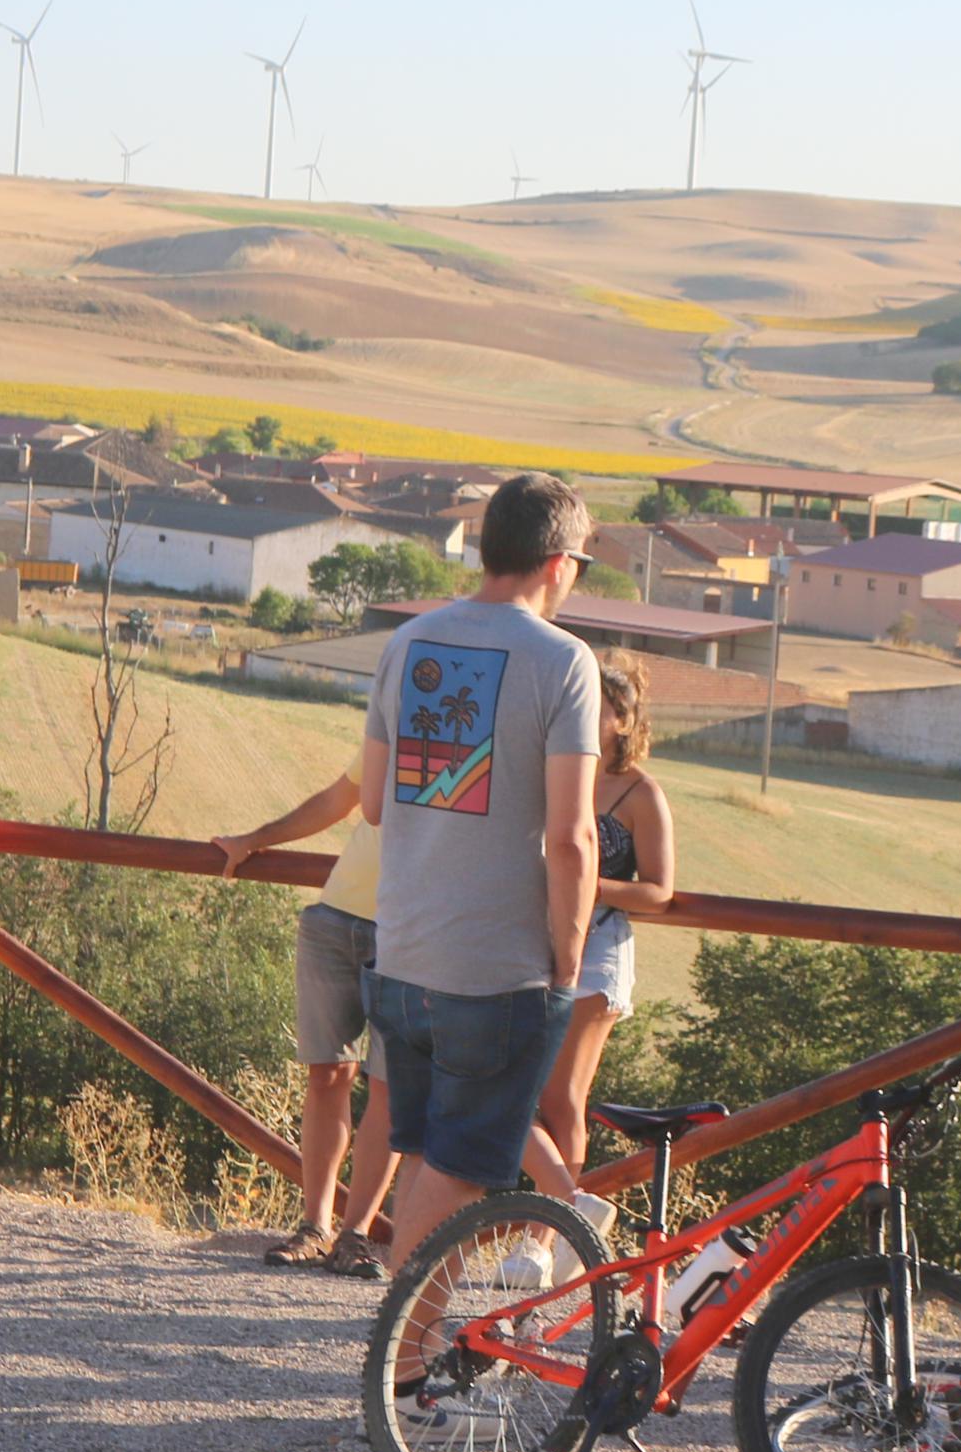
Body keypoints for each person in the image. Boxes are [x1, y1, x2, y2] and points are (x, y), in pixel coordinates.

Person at [352, 472, 601, 1242]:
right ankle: (404, 1355)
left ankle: (407, 1351)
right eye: (582, 564)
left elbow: (370, 801)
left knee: (430, 1151)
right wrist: (567, 954)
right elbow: (572, 836)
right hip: (495, 968)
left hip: (400, 954)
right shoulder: (564, 661)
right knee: (461, 1172)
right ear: (558, 561)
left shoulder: (408, 640)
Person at [212, 769, 403, 1275]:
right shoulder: (395, 709)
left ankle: (356, 1236)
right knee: (327, 1074)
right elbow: (337, 801)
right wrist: (253, 841)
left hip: (412, 930)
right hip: (336, 917)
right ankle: (316, 1228)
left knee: (391, 1087)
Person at [531, 651, 674, 1213]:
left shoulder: (642, 795)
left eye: (596, 705)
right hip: (534, 940)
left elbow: (659, 891)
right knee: (518, 1092)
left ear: (621, 721)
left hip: (599, 949)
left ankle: (552, 1231)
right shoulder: (557, 771)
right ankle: (566, 1215)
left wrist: (591, 885)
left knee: (562, 1097)